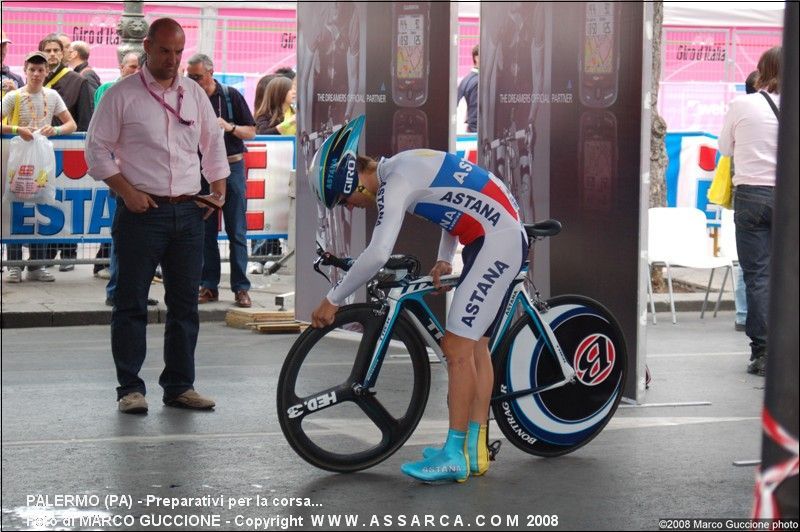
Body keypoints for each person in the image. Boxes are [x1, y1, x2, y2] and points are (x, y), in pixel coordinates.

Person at [308, 116, 527, 483]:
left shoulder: (395, 183)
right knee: (475, 349)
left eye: (344, 201)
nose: (347, 208)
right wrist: (445, 256)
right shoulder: (404, 165)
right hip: (492, 235)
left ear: (356, 183)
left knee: (456, 349)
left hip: (496, 241)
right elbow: (455, 204)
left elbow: (378, 254)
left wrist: (333, 298)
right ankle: (474, 448)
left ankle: (453, 454)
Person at [85, 18, 229, 414]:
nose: (173, 60)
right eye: (165, 51)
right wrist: (127, 191)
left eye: (179, 52)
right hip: (141, 211)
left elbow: (213, 142)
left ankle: (180, 386)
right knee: (131, 303)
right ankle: (130, 388)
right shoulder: (122, 95)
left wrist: (219, 190)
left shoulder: (194, 94)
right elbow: (96, 150)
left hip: (188, 211)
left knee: (185, 305)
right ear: (147, 47)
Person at [718, 47, 781, 377]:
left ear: (761, 70)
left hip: (752, 196)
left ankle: (762, 352)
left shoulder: (743, 103)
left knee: (758, 276)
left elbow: (724, 148)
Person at [186, 53, 256, 308]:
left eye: (197, 77)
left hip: (232, 166)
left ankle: (241, 288)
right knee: (205, 232)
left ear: (211, 73)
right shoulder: (187, 97)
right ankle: (209, 286)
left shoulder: (230, 95)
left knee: (236, 229)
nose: (192, 81)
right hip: (201, 170)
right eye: (189, 76)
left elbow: (251, 131)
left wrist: (229, 127)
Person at [1, 52, 77, 283]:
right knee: (16, 208)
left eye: (40, 70)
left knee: (41, 207)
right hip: (17, 159)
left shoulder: (52, 96)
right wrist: (16, 129)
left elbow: (71, 124)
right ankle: (14, 265)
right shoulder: (13, 96)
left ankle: (37, 265)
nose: (36, 74)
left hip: (42, 160)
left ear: (46, 72)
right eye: (32, 69)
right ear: (25, 70)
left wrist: (55, 130)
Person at [39, 33, 94, 270]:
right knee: (45, 201)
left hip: (69, 151)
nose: (52, 54)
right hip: (41, 153)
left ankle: (69, 253)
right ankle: (46, 254)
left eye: (56, 50)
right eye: (48, 50)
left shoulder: (77, 81)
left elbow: (86, 120)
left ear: (64, 53)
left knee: (68, 201)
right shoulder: (35, 77)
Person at [732, 70, 760, 332]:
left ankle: (745, 317)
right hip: (780, 193)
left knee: (751, 267)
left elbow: (725, 149)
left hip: (749, 193)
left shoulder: (740, 108)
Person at [457, 44, 479, 133]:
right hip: (476, 132)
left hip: (471, 130)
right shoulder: (478, 82)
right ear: (477, 58)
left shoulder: (465, 80)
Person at [1, 31, 24, 95]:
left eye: (3, 45)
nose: (1, 50)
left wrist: (15, 94)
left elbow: (25, 104)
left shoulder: (16, 80)